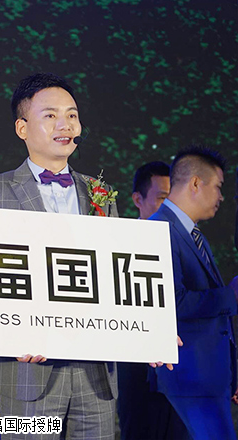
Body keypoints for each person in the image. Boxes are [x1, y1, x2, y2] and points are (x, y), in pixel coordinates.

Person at [0, 73, 118, 439]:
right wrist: (12, 335)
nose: (64, 124)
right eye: (50, 115)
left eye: (72, 115)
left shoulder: (99, 192)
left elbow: (114, 272)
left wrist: (151, 330)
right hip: (27, 368)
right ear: (22, 128)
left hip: (93, 368)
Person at [149, 146, 238, 440]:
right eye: (218, 186)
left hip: (208, 377)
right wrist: (231, 296)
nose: (221, 197)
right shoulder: (159, 228)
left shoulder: (191, 232)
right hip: (191, 377)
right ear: (196, 183)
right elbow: (172, 302)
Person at [117, 160, 190, 440]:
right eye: (162, 198)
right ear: (138, 199)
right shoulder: (118, 243)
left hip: (183, 374)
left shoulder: (188, 243)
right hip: (136, 372)